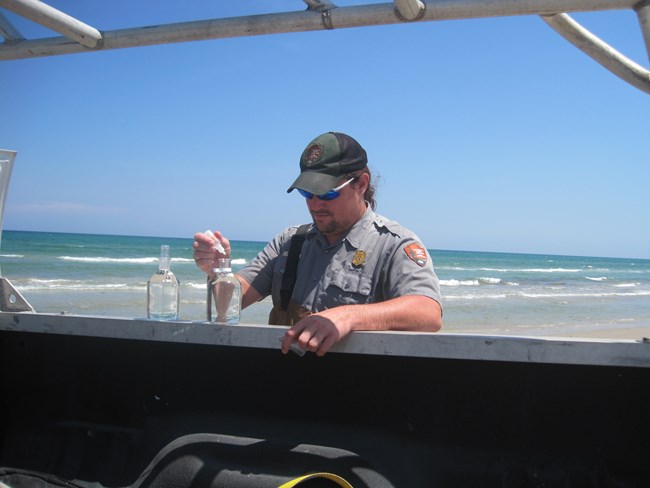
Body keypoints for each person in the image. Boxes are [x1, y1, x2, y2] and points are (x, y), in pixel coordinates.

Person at [194, 132, 442, 356]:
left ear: (361, 184)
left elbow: (427, 312)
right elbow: (228, 304)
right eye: (307, 193)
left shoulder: (393, 245)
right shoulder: (290, 242)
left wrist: (348, 317)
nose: (314, 205)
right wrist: (219, 270)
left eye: (327, 194)